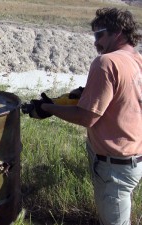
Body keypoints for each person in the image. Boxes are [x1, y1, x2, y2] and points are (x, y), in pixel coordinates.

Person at [30, 8, 142, 225]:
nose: (95, 42)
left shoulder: (106, 62)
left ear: (117, 31)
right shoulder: (137, 60)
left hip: (114, 166)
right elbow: (125, 100)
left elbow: (86, 117)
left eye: (99, 34)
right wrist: (84, 95)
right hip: (133, 159)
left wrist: (47, 108)